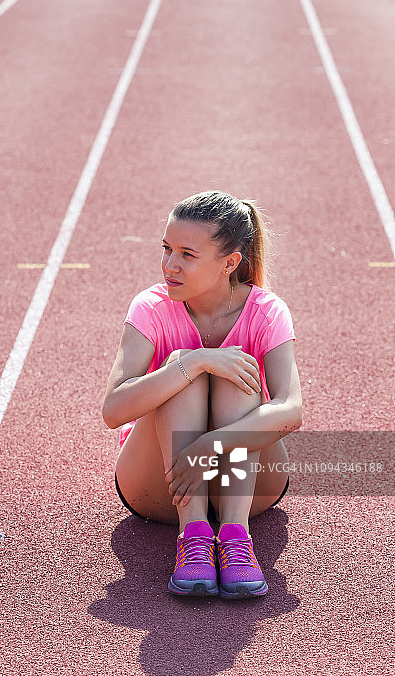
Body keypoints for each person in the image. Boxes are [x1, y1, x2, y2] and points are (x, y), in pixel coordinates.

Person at [102, 190, 302, 599]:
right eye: (166, 249)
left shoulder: (267, 310)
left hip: (249, 487)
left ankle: (235, 537)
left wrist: (209, 447)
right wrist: (192, 363)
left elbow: (291, 409)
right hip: (161, 485)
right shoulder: (150, 307)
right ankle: (192, 534)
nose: (169, 265)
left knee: (236, 369)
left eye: (187, 255)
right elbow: (114, 410)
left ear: (229, 263)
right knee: (183, 366)